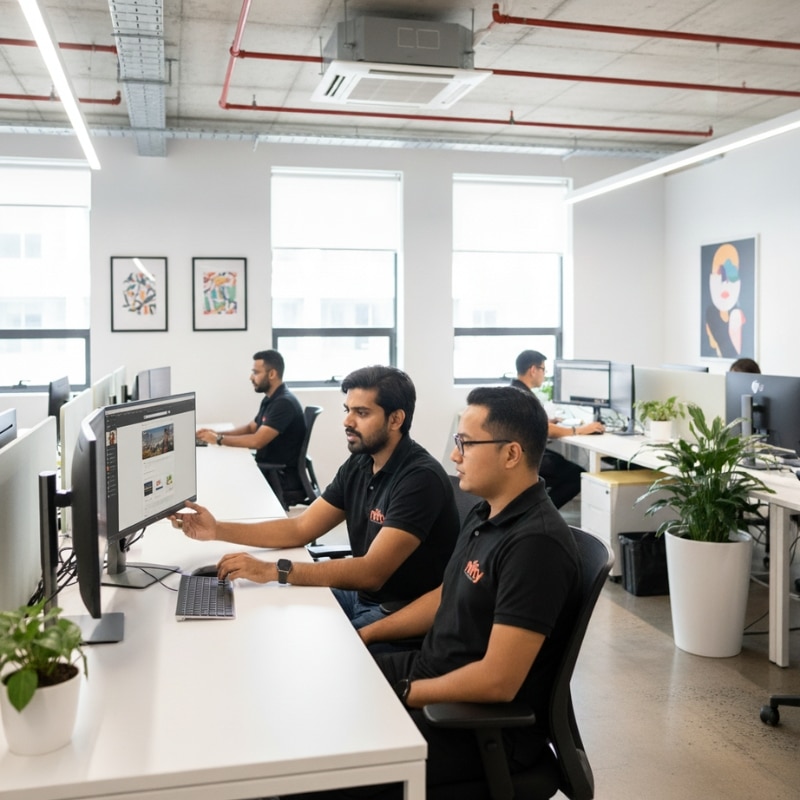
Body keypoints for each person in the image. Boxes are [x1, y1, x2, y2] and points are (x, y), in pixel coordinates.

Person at [296, 386, 581, 799]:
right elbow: (448, 594)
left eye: (465, 443)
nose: (454, 455)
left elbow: (498, 682)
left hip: (472, 723)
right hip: (430, 671)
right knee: (309, 691)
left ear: (511, 454)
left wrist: (407, 692)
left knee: (315, 770)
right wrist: (367, 636)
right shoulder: (486, 512)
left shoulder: (535, 544)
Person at [173, 365, 460, 630]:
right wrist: (217, 529)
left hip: (397, 612)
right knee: (270, 616)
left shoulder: (419, 479)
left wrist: (274, 570)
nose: (347, 421)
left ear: (396, 419)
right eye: (347, 410)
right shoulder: (361, 463)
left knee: (304, 641)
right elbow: (301, 527)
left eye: (362, 413)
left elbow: (372, 572)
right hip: (361, 597)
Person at [195, 349, 306, 496]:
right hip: (268, 469)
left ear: (272, 374)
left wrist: (218, 440)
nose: (251, 377)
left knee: (219, 477)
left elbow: (257, 441)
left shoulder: (284, 403)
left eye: (256, 372)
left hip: (278, 476)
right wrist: (215, 434)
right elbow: (251, 428)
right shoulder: (271, 399)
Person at [511, 349, 603, 508]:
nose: (544, 374)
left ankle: (538, 510)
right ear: (533, 370)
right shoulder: (525, 397)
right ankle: (541, 511)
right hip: (530, 458)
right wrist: (579, 430)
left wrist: (546, 421)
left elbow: (532, 424)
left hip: (520, 455)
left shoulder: (514, 391)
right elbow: (546, 430)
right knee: (576, 476)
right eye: (543, 370)